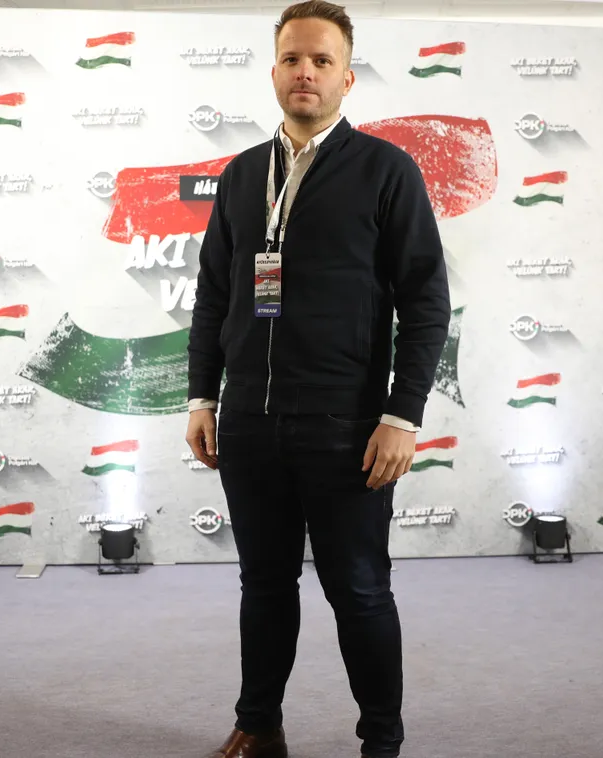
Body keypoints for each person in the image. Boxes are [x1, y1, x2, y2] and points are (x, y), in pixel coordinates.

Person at [185, 2, 450, 756]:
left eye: (322, 61)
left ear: (347, 78)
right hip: (249, 424)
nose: (306, 72)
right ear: (274, 71)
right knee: (264, 586)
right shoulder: (242, 175)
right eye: (293, 58)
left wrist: (401, 416)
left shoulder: (386, 171)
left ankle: (381, 742)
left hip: (347, 427)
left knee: (359, 591)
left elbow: (425, 301)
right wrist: (203, 396)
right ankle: (258, 725)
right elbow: (213, 296)